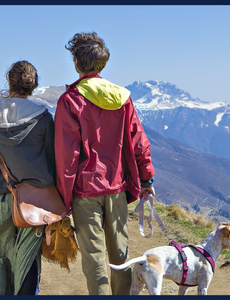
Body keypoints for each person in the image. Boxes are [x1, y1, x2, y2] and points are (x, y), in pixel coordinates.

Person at [54, 32, 156, 295]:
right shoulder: (122, 98)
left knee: (94, 258)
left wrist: (63, 201)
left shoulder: (70, 101)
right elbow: (139, 142)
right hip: (118, 187)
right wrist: (146, 180)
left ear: (77, 62)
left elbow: (68, 158)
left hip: (85, 192)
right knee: (120, 255)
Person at [0, 60, 56, 295]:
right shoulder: (42, 118)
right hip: (34, 203)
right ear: (33, 86)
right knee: (27, 259)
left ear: (9, 82)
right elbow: (52, 161)